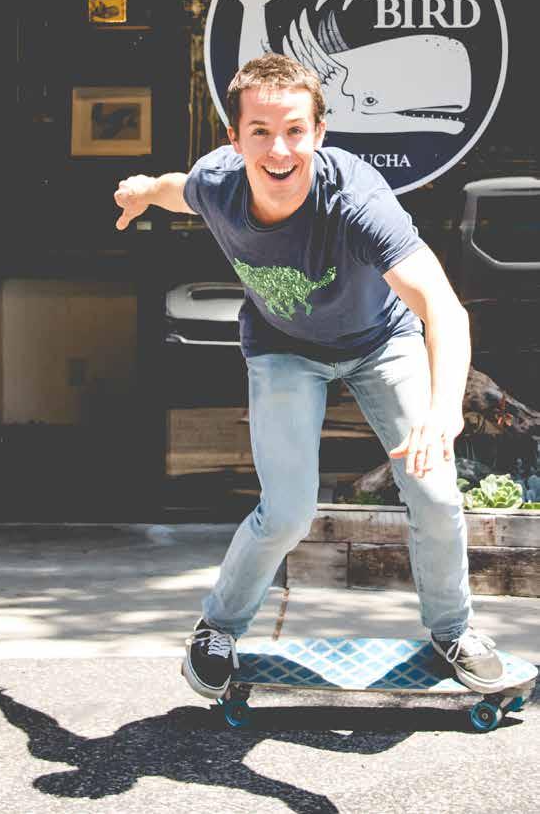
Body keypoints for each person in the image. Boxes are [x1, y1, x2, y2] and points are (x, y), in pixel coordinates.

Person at [113, 53, 505, 700]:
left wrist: (443, 413)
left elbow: (442, 308)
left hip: (381, 341)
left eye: (295, 130)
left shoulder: (355, 202)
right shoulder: (219, 183)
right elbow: (176, 189)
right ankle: (216, 629)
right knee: (288, 513)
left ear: (319, 132)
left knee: (435, 494)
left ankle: (453, 630)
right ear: (234, 139)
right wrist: (141, 191)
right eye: (260, 132)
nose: (279, 149)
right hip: (283, 346)